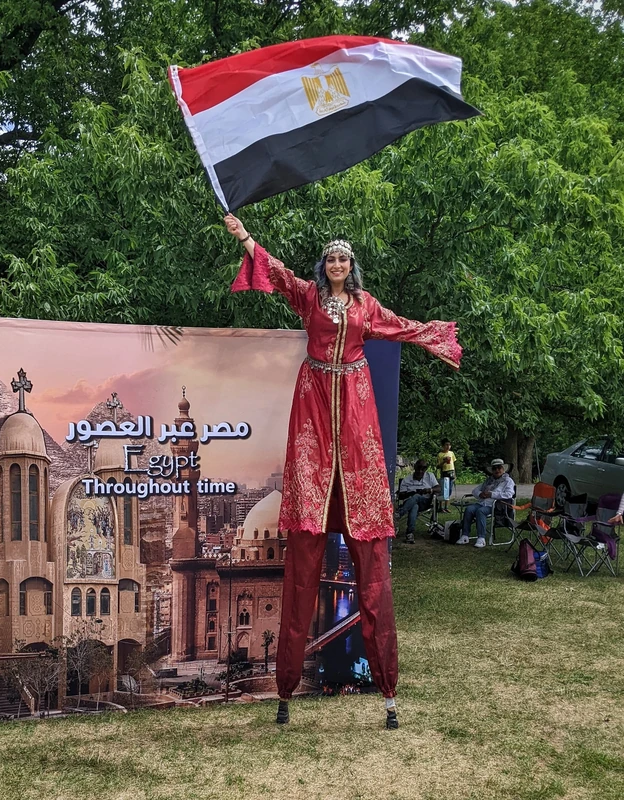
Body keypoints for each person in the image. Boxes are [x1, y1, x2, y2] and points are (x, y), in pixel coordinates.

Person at [224, 213, 462, 729]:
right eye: (330, 258)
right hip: (313, 403)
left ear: (351, 267)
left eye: (343, 259)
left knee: (371, 570)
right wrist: (244, 236)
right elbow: (279, 275)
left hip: (354, 408)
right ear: (324, 265)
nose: (336, 265)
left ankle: (388, 690)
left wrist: (436, 337)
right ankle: (285, 689)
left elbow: (399, 326)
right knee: (302, 567)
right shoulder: (308, 296)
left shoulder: (364, 306)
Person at [456, 459, 515, 548]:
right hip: (483, 502)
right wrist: (480, 494)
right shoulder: (489, 480)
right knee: (469, 509)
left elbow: (509, 494)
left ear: (503, 469)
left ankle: (481, 538)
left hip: (497, 505)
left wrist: (492, 494)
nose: (497, 470)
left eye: (499, 468)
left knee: (481, 511)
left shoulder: (508, 481)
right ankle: (465, 535)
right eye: (494, 468)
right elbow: (475, 490)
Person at [397, 459, 438, 544]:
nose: (420, 471)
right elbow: (400, 495)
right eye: (418, 468)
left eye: (423, 469)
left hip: (425, 502)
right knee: (414, 506)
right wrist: (411, 493)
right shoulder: (407, 479)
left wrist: (429, 490)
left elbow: (439, 488)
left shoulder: (430, 476)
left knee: (417, 497)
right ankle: (409, 534)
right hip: (409, 503)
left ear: (425, 469)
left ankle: (399, 514)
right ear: (415, 468)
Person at [436, 439, 457, 512]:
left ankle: (446, 507)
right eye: (446, 445)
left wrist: (455, 474)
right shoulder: (440, 454)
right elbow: (438, 466)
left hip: (451, 472)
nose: (448, 446)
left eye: (449, 445)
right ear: (443, 446)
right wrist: (444, 461)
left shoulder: (451, 453)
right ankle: (440, 507)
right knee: (444, 490)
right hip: (444, 472)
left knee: (449, 490)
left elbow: (453, 464)